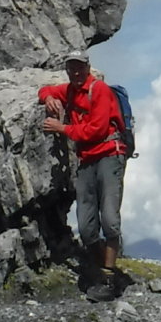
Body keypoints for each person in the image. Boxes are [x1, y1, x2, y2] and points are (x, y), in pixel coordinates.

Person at [39, 48, 127, 296]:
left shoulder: (99, 90)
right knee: (87, 227)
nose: (76, 72)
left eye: (80, 67)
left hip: (109, 155)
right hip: (87, 159)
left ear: (88, 68)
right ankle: (101, 269)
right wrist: (48, 98)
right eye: (71, 68)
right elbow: (44, 90)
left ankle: (109, 280)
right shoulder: (69, 90)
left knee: (109, 219)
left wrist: (62, 128)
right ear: (67, 70)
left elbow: (97, 130)